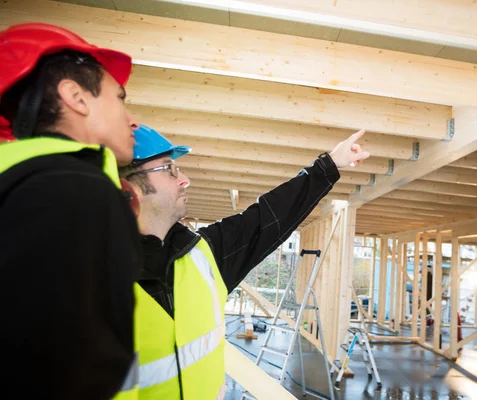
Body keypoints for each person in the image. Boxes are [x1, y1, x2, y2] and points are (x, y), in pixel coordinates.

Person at [120, 124, 370, 399]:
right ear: (128, 188)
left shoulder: (201, 254)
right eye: (169, 169)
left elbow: (269, 217)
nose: (184, 179)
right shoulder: (89, 281)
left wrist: (330, 164)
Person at [0, 23, 142, 400]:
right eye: (120, 98)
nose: (133, 120)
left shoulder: (19, 179)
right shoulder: (74, 190)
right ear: (76, 97)